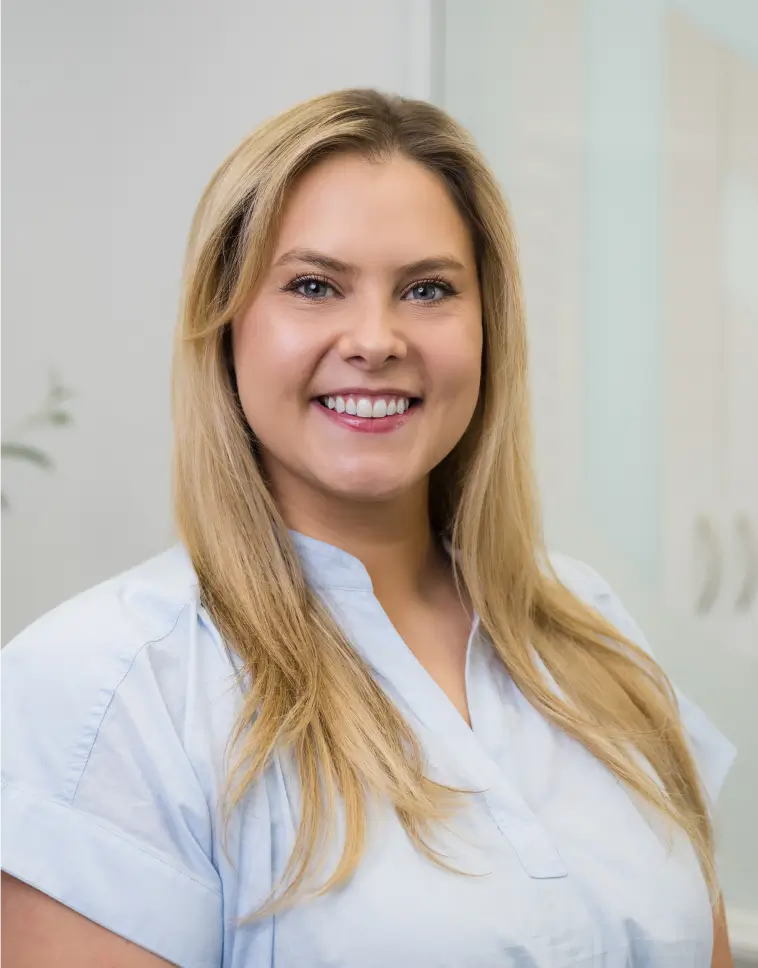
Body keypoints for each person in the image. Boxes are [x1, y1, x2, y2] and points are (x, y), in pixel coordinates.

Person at [0, 89, 736, 968]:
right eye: (314, 286)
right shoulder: (105, 689)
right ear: (226, 324)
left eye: (428, 289)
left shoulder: (591, 630)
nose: (376, 339)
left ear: (487, 330)